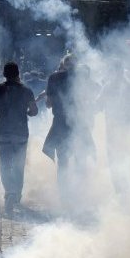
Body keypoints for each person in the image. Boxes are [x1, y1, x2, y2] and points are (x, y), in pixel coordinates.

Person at [42, 53, 96, 210]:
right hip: (79, 124)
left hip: (60, 125)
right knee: (80, 161)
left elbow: (48, 104)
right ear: (77, 64)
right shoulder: (83, 77)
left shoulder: (54, 78)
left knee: (63, 162)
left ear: (64, 64)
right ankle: (80, 196)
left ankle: (65, 197)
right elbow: (89, 100)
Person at [0, 61, 38, 214]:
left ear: (4, 74)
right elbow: (34, 110)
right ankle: (16, 195)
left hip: (3, 133)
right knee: (19, 165)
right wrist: (29, 112)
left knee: (4, 164)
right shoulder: (26, 90)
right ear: (18, 73)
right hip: (21, 133)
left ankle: (9, 191)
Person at [98, 67, 130, 198]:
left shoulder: (110, 88)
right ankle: (124, 191)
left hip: (122, 132)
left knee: (121, 160)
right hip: (120, 132)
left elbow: (98, 105)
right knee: (123, 160)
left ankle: (123, 191)